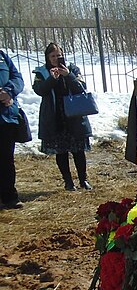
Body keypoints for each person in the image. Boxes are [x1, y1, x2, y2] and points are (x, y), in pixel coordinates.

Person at [33, 42, 93, 191]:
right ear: (47, 57)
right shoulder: (41, 73)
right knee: (61, 151)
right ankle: (68, 181)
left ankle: (83, 179)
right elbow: (40, 90)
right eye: (52, 56)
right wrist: (52, 79)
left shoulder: (72, 69)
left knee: (78, 150)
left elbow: (81, 88)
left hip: (74, 116)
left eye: (58, 55)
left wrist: (68, 76)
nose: (56, 58)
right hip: (54, 116)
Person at [0, 49, 25, 209]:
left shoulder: (2, 56)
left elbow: (17, 78)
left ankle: (9, 196)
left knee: (6, 159)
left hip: (5, 117)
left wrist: (8, 92)